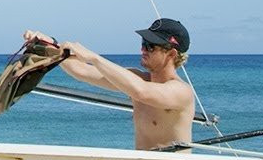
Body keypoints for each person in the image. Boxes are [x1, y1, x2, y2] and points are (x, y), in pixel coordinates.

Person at [23, 18, 194, 151]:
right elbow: (82, 71)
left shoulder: (181, 91)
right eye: (143, 44)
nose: (143, 50)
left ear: (171, 54)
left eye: (150, 46)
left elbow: (142, 92)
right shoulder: (137, 78)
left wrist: (93, 57)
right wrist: (47, 44)